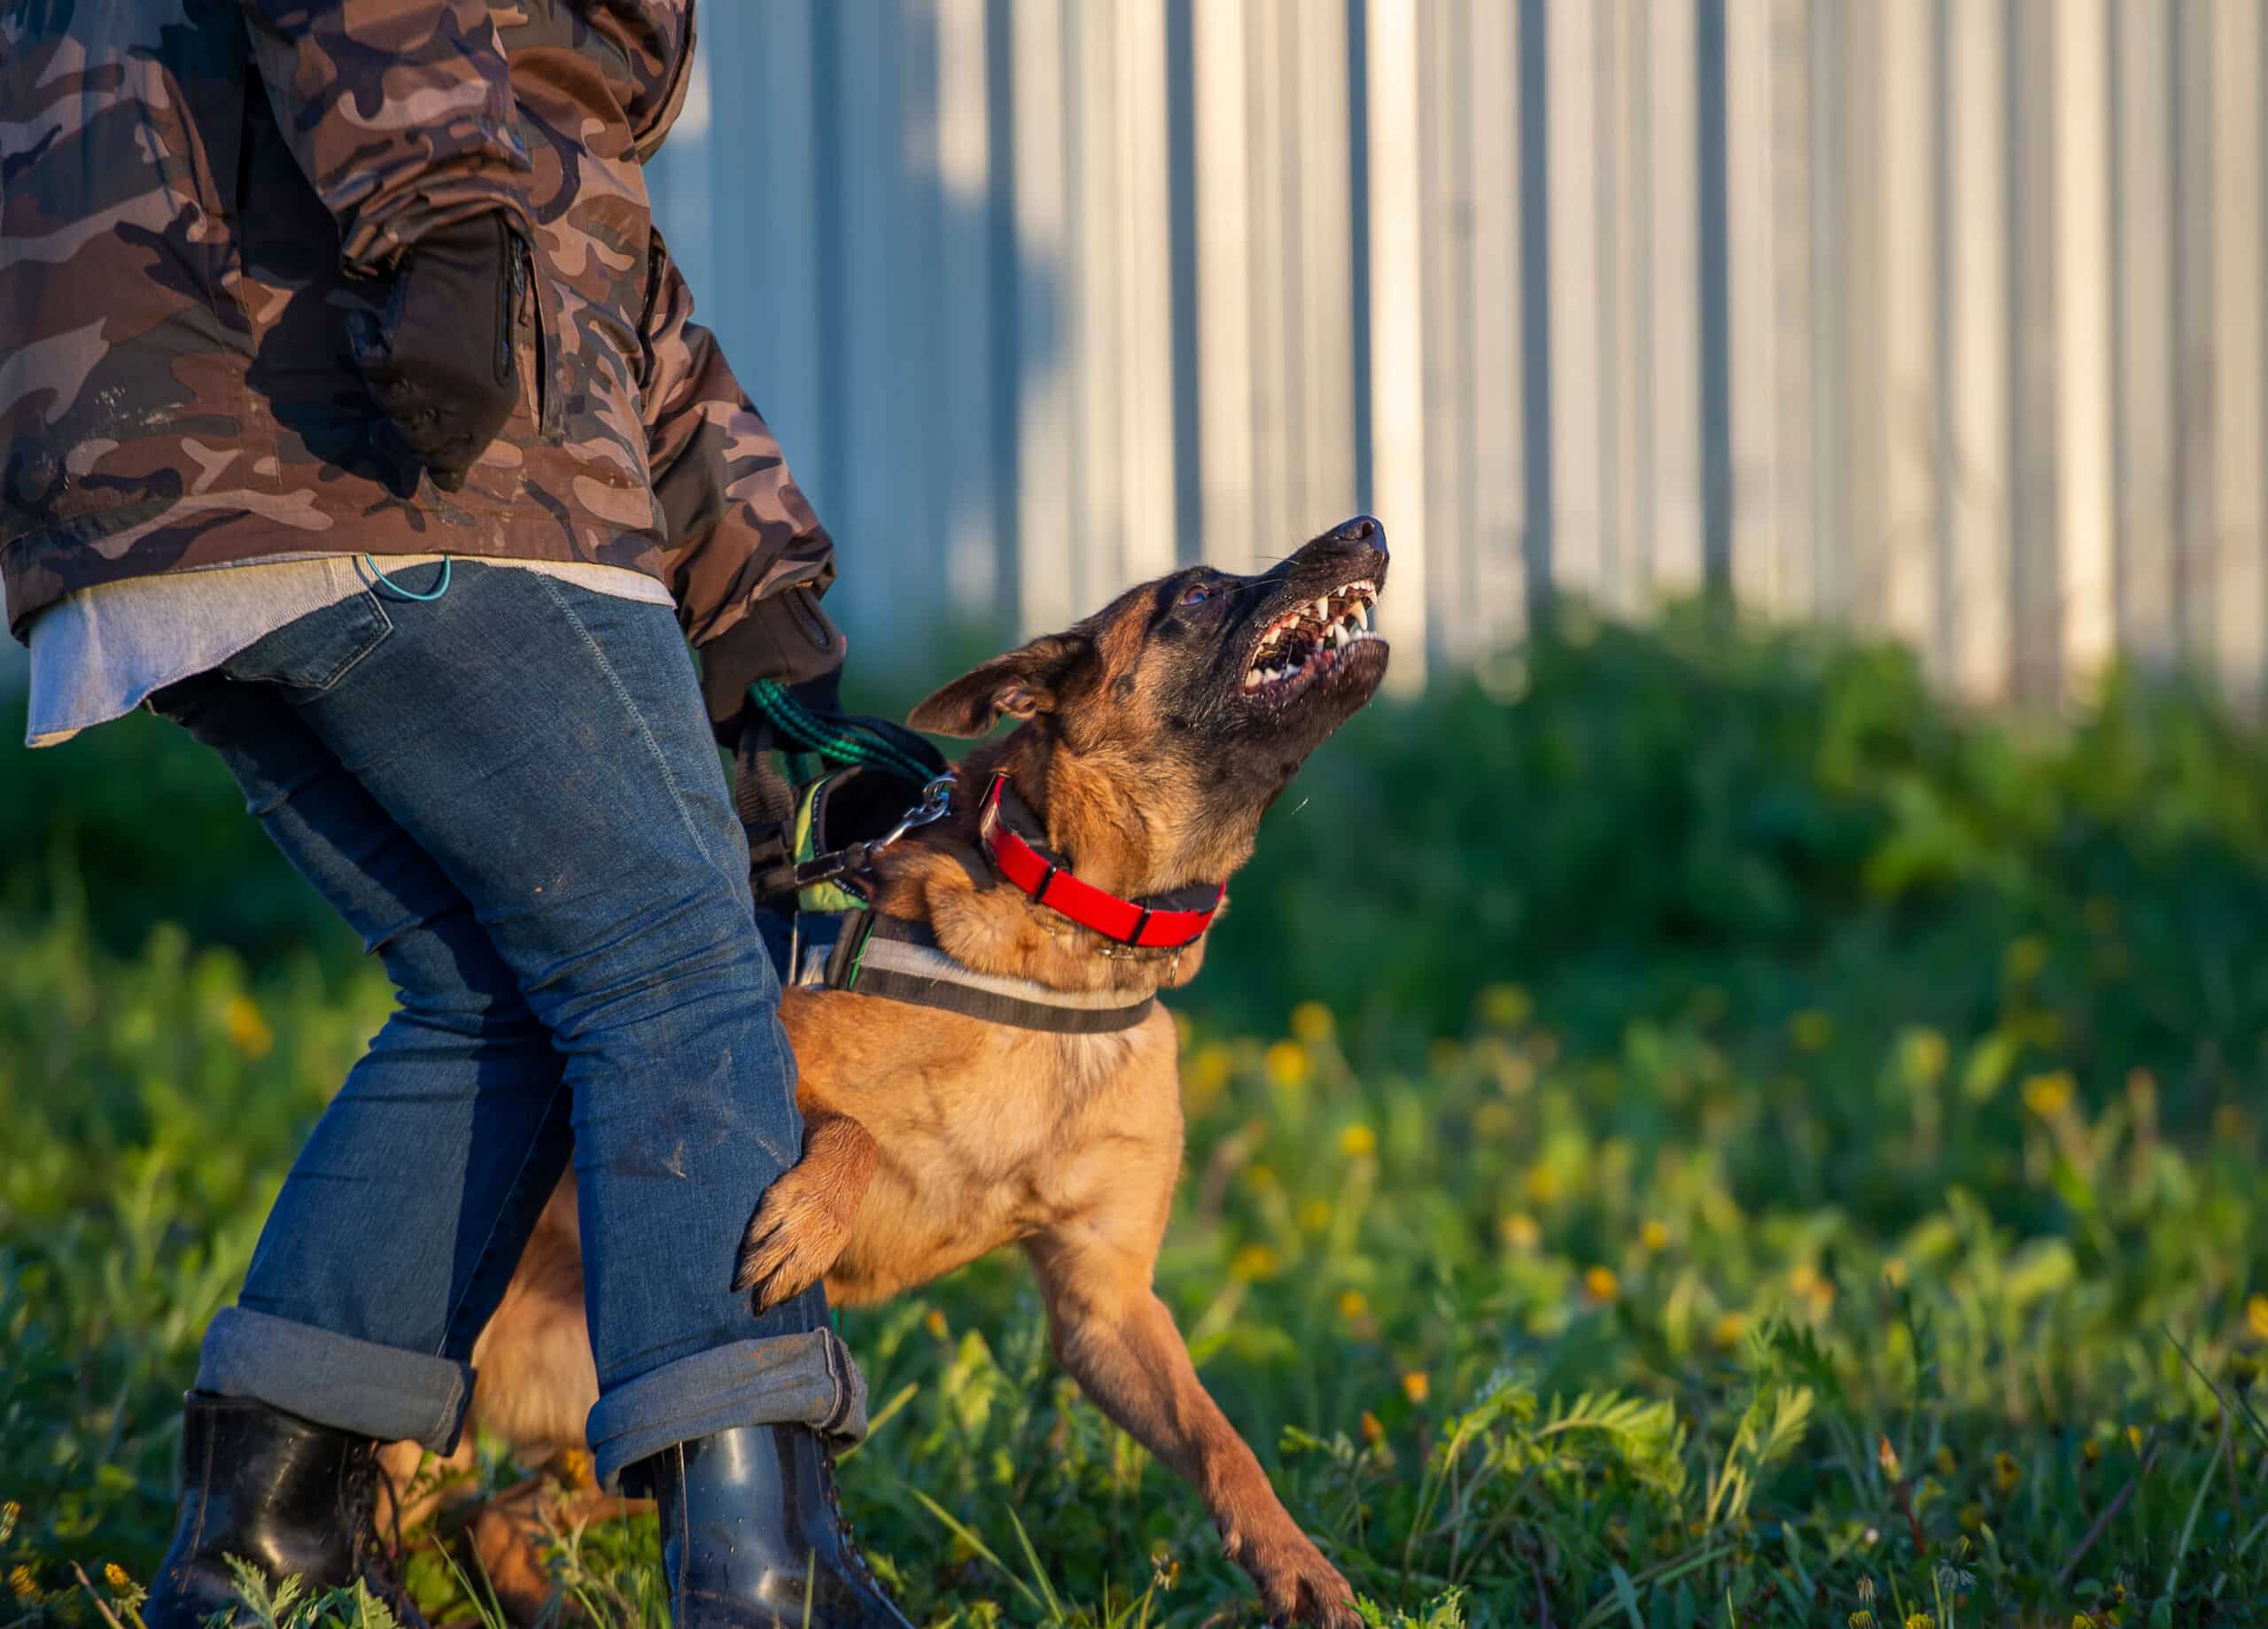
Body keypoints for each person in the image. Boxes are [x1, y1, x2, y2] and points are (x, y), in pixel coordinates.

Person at [3, 5, 910, 1626]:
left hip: (179, 445)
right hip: (352, 416)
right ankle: (760, 1575)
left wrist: (761, 607)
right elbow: (494, 201)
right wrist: (442, 211)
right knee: (675, 971)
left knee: (494, 1000)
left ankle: (270, 1551)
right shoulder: (450, 160)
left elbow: (594, 253)